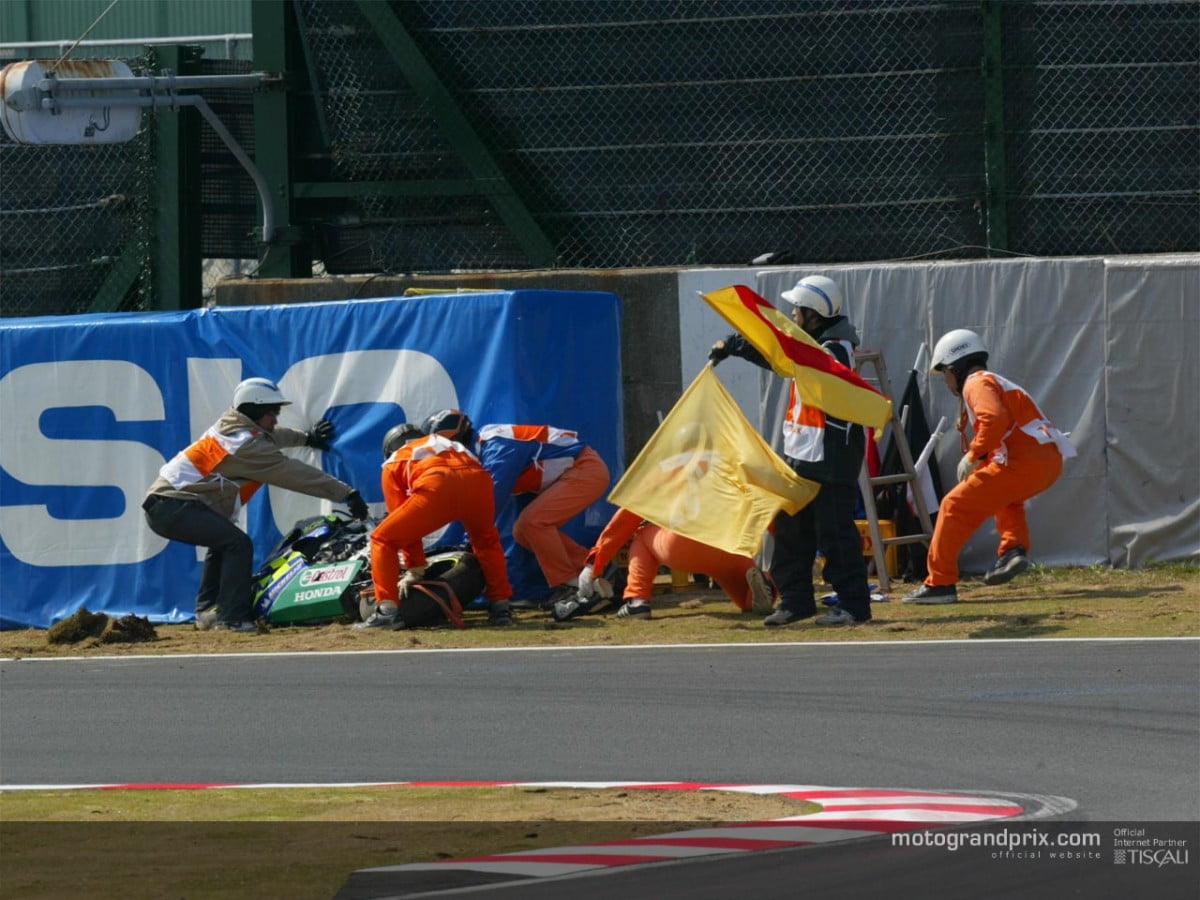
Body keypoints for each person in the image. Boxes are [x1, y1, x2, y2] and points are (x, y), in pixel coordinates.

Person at [143, 377, 369, 632]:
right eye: (272, 412)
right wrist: (346, 493)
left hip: (165, 504)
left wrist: (305, 438)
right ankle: (232, 619)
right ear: (254, 411)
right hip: (172, 505)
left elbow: (271, 436)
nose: (275, 419)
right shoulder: (245, 445)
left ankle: (208, 612)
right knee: (237, 544)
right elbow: (295, 474)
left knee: (223, 543)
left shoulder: (234, 427)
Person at [709, 275, 872, 626]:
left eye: (797, 309)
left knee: (836, 535)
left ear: (813, 315)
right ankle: (796, 601)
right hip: (802, 453)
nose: (792, 314)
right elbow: (781, 356)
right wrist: (735, 344)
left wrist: (741, 344)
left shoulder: (835, 348)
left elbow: (791, 359)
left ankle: (854, 605)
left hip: (831, 458)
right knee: (789, 531)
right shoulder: (810, 346)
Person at [903, 329, 1075, 604]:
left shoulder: (975, 383)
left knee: (952, 506)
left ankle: (940, 584)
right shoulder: (994, 381)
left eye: (945, 373)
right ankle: (1012, 550)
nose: (946, 382)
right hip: (1047, 462)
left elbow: (994, 420)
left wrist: (972, 454)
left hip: (1021, 462)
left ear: (955, 366)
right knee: (1006, 498)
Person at [359, 410, 514, 628]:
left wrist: (415, 570)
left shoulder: (395, 461)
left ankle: (386, 612)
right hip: (478, 479)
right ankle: (501, 607)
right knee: (486, 542)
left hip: (438, 484)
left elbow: (404, 532)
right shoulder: (448, 443)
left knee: (382, 540)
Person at [473, 421, 610, 609]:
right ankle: (593, 567)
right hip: (580, 469)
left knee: (533, 523)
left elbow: (491, 501)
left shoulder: (497, 445)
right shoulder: (491, 444)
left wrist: (470, 538)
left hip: (585, 468)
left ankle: (569, 585)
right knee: (522, 530)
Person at [553, 507, 775, 621]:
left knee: (640, 535)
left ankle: (637, 602)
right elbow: (765, 506)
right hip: (725, 543)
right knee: (749, 601)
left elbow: (624, 520)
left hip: (679, 541)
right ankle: (769, 584)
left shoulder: (664, 468)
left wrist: (594, 564)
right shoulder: (731, 465)